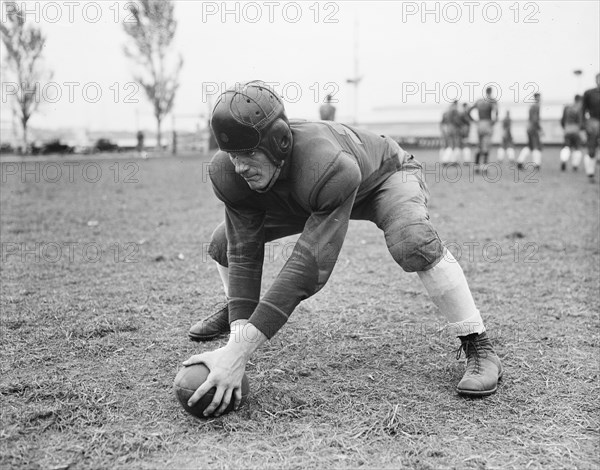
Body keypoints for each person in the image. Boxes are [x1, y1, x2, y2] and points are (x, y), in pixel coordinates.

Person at [185, 81, 503, 417]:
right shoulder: (229, 173)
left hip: (382, 177)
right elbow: (243, 251)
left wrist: (238, 353)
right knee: (224, 242)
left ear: (279, 142)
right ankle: (235, 313)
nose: (239, 166)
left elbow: (309, 266)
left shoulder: (326, 164)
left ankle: (478, 344)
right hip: (304, 195)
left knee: (412, 241)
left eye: (249, 153)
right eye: (233, 154)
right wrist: (239, 337)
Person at [468, 87, 498, 171]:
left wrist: (474, 121)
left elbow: (468, 111)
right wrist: (494, 121)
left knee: (479, 146)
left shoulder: (479, 101)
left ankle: (477, 166)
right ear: (491, 91)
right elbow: (496, 111)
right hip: (487, 123)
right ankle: (484, 167)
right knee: (486, 146)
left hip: (479, 124)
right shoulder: (492, 100)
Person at [581, 73, 600, 182]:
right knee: (591, 150)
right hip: (593, 122)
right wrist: (583, 125)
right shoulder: (589, 93)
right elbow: (583, 110)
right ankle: (590, 173)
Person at [517, 93, 543, 169]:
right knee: (536, 146)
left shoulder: (532, 106)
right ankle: (537, 164)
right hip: (533, 129)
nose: (540, 99)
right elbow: (535, 119)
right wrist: (539, 129)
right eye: (539, 97)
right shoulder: (536, 106)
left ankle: (520, 162)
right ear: (537, 98)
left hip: (529, 128)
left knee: (530, 146)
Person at [559, 95, 583, 172]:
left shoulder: (567, 108)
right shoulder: (580, 109)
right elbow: (581, 121)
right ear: (579, 100)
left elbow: (562, 120)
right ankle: (575, 165)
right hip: (575, 130)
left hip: (567, 129)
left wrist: (565, 127)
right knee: (577, 148)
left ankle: (564, 160)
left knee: (566, 147)